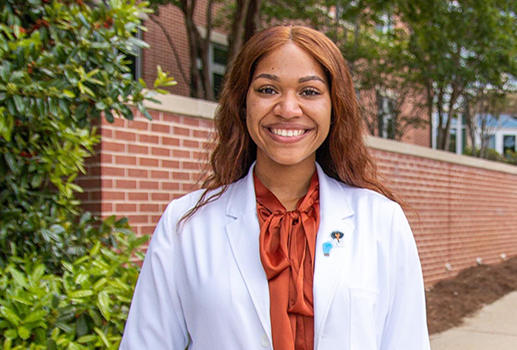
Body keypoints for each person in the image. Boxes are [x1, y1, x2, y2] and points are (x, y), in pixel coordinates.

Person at [120, 25, 430, 350]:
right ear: (243, 102)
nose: (288, 109)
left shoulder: (382, 221)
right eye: (268, 89)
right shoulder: (185, 225)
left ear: (334, 106)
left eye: (309, 92)